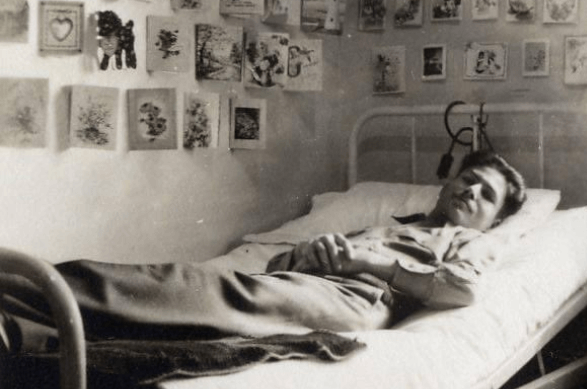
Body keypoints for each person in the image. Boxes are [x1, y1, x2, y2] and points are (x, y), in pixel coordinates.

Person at [0, 151, 526, 353]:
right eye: (468, 179)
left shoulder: (473, 241)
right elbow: (276, 268)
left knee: (196, 288)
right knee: (204, 292)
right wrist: (307, 255)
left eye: (486, 195)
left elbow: (461, 289)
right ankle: (23, 324)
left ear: (495, 219)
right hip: (309, 284)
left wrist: (361, 262)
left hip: (359, 301)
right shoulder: (388, 224)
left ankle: (24, 287)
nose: (471, 192)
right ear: (446, 183)